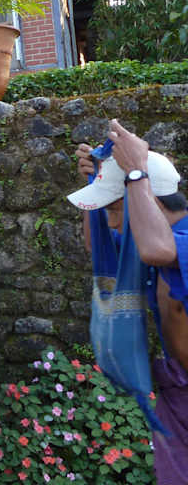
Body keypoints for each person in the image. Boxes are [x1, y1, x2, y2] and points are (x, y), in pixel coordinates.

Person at [71, 119, 188, 484]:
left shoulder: (169, 243)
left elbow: (158, 249)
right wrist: (95, 182)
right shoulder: (144, 243)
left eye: (115, 210)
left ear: (146, 200)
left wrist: (137, 173)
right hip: (178, 391)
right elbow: (97, 245)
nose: (113, 224)